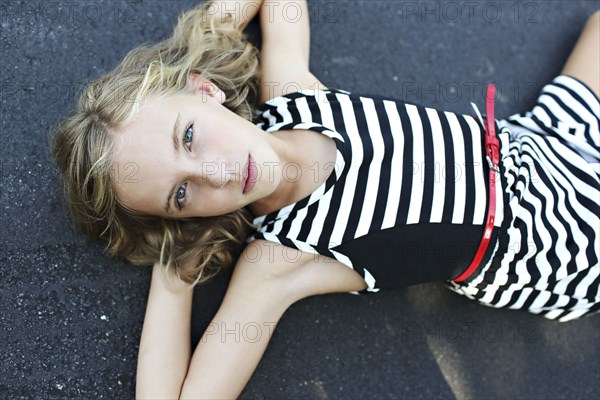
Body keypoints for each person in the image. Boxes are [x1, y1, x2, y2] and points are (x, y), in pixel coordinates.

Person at [50, 0, 600, 397]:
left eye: (188, 136)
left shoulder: (293, 94)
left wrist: (202, 42)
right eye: (181, 193)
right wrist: (171, 262)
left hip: (541, 141)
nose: (215, 172)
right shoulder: (280, 259)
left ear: (206, 91)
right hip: (558, 242)